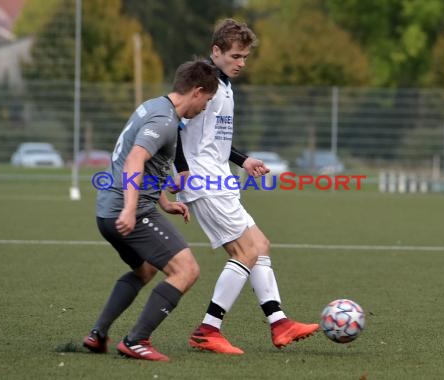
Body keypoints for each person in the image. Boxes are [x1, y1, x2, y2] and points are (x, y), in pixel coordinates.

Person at [173, 19, 319, 355]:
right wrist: (181, 170)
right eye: (236, 56)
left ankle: (280, 323)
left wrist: (243, 160)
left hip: (219, 177)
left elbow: (214, 139)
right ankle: (208, 329)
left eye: (245, 57)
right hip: (202, 180)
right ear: (216, 51)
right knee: (247, 251)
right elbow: (177, 126)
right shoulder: (202, 82)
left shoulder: (224, 86)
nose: (241, 63)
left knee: (260, 245)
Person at [82, 60, 218, 362]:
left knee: (145, 269)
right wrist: (131, 209)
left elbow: (149, 165)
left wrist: (164, 202)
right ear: (196, 92)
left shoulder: (153, 106)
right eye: (207, 100)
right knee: (187, 271)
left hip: (107, 211)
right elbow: (134, 160)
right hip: (127, 210)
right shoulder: (164, 121)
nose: (206, 108)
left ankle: (98, 334)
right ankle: (136, 340)